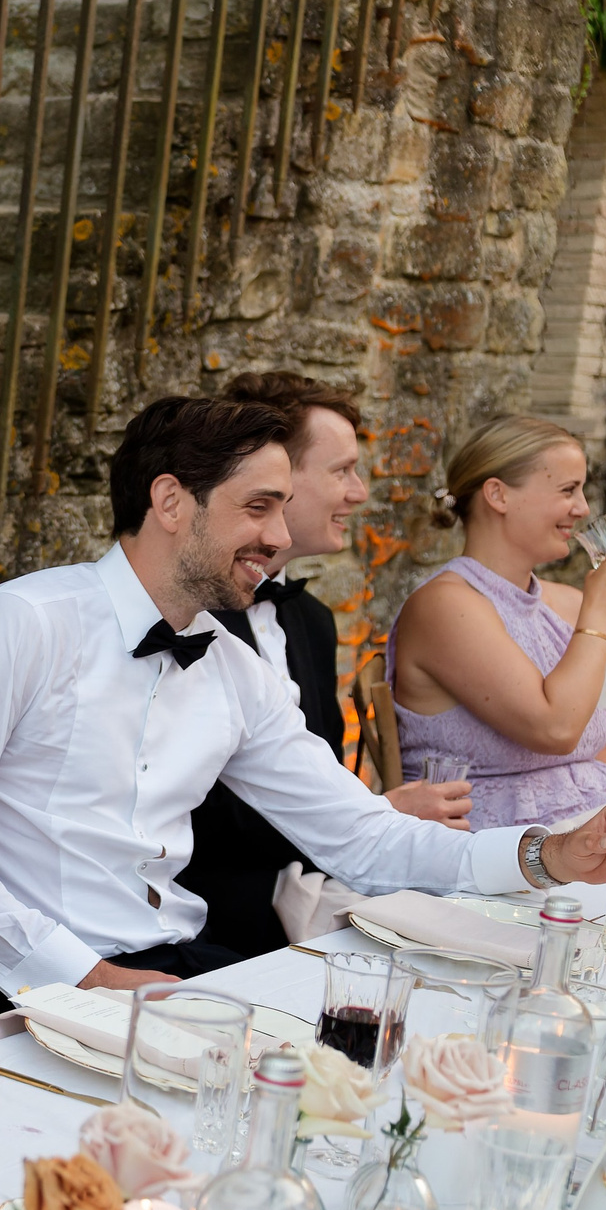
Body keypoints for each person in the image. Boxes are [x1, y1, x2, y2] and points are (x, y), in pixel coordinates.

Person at [0, 394, 606, 1044]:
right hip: (12, 988)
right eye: (259, 507)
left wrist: (544, 855)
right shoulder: (21, 625)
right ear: (171, 501)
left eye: (283, 509)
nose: (281, 537)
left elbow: (364, 836)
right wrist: (83, 975)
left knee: (418, 1045)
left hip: (176, 968)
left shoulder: (231, 667)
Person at [178, 371, 473, 957]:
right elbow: (193, 809)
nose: (359, 492)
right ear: (278, 477)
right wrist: (372, 813)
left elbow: (316, 771)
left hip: (317, 897)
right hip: (210, 919)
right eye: (342, 471)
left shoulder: (310, 619)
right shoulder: (185, 614)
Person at [387, 412, 606, 829]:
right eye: (568, 490)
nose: (583, 508)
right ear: (498, 496)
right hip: (495, 852)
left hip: (593, 838)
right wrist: (605, 609)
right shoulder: (445, 607)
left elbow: (588, 749)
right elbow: (555, 730)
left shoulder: (569, 603)